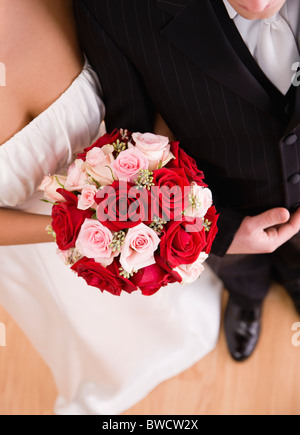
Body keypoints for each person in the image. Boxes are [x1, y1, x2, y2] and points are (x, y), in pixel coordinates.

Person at [0, 0, 222, 415]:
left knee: (162, 296)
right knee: (82, 326)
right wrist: (76, 227)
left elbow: (145, 58)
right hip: (28, 246)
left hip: (140, 201)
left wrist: (155, 174)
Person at [74, 0, 300, 362]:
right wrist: (217, 231)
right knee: (239, 271)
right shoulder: (111, 8)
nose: (257, 3)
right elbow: (135, 148)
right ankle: (247, 297)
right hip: (220, 200)